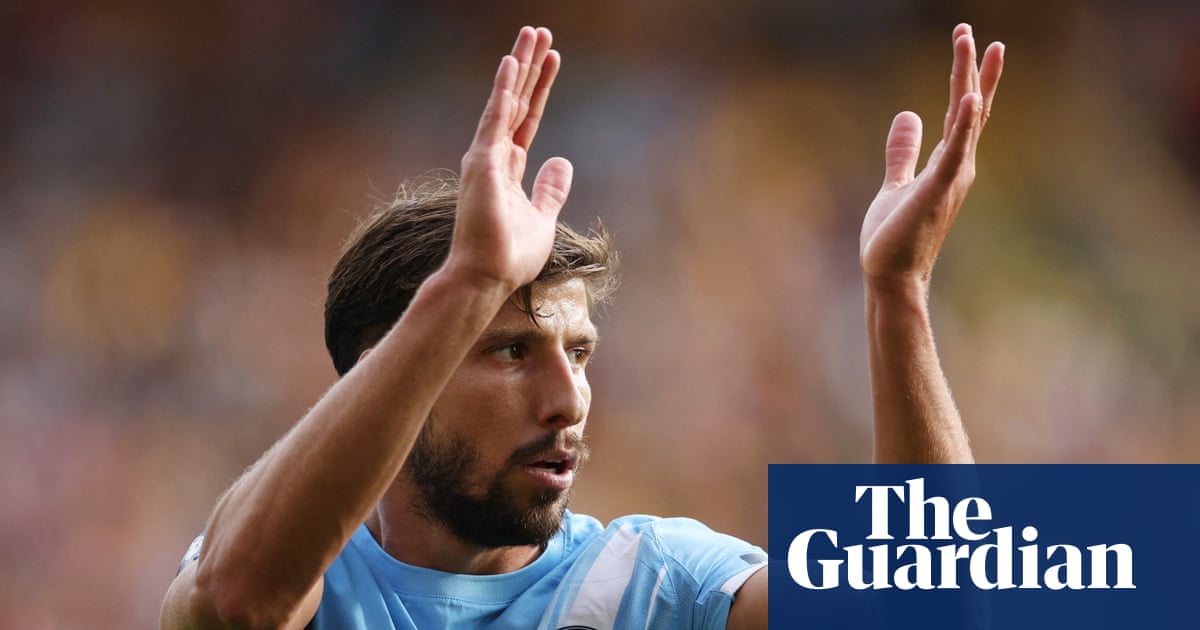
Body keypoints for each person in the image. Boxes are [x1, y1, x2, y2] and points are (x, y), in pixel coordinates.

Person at [161, 23, 1004, 630]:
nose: (568, 399)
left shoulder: (655, 583)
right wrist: (469, 283)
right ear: (391, 369)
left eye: (580, 352)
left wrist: (898, 292)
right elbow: (236, 602)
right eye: (510, 351)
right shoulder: (304, 573)